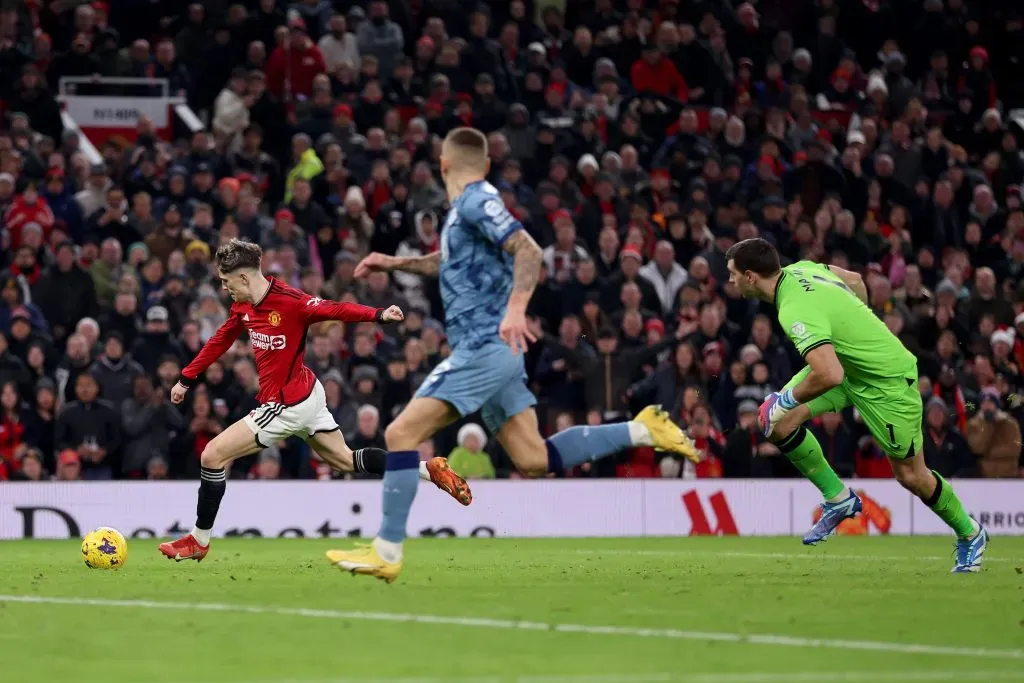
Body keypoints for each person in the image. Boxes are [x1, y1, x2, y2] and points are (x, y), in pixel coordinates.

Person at [327, 127, 699, 582]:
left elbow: (529, 249)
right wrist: (394, 262)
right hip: (497, 355)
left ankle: (386, 550)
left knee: (401, 431)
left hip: (484, 347)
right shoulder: (464, 212)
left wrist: (516, 309)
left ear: (443, 165)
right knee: (533, 459)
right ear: (482, 164)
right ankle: (642, 429)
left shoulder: (476, 200)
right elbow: (447, 261)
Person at [157, 239, 469, 562]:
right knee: (346, 460)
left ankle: (199, 539)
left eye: (226, 281)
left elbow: (334, 309)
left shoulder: (291, 301)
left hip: (285, 405)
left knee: (212, 455)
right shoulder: (243, 306)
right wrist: (186, 377)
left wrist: (378, 315)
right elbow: (221, 339)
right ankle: (427, 470)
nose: (225, 289)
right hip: (309, 394)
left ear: (245, 278)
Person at [725, 238, 988, 573]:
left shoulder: (793, 308)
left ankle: (971, 533)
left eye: (733, 274)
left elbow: (829, 373)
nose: (729, 281)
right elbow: (855, 281)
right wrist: (858, 327)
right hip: (850, 367)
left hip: (886, 382)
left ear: (750, 276)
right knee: (777, 423)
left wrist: (783, 400)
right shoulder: (802, 269)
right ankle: (838, 499)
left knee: (911, 475)